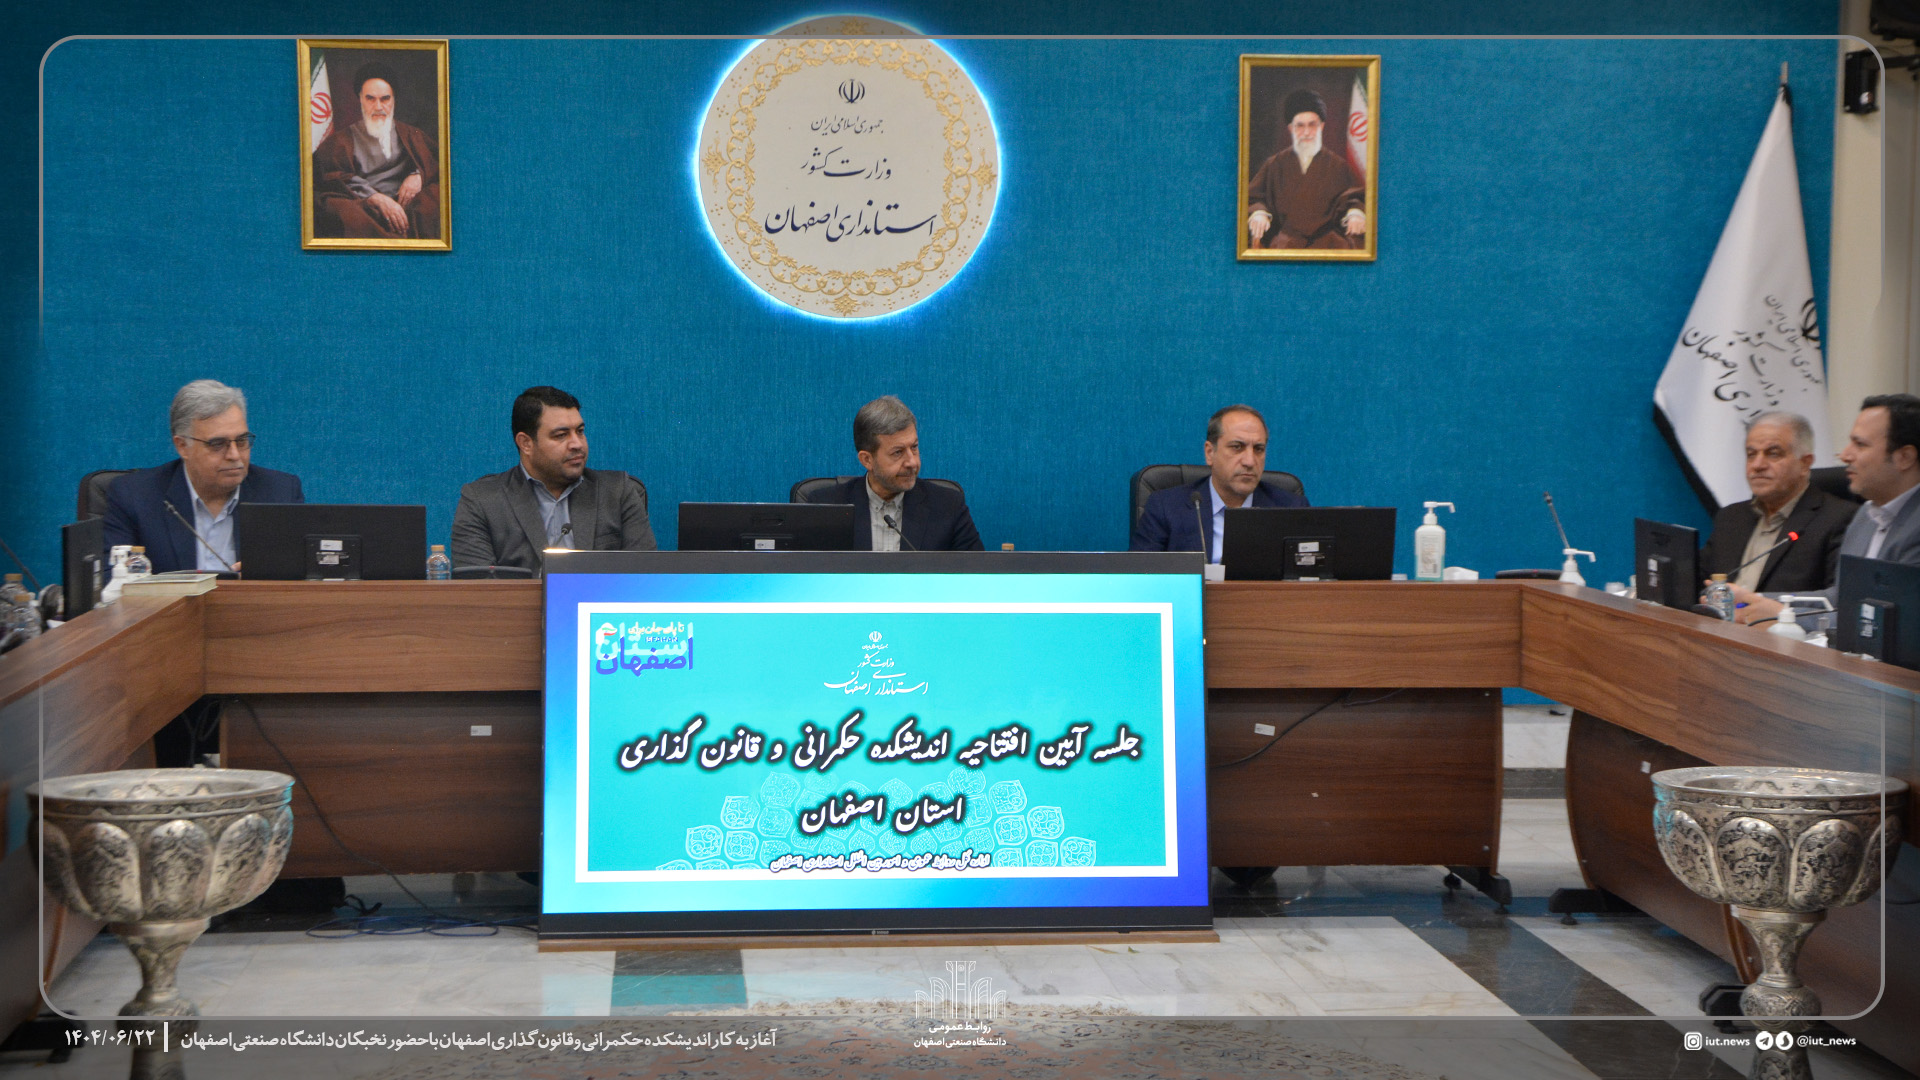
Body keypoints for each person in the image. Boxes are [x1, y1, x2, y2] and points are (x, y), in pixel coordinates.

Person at [1732, 394, 1920, 624]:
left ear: (1904, 457)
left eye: (1860, 444)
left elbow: (1887, 625)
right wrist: (1755, 600)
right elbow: (1838, 598)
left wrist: (1784, 617)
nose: (1845, 455)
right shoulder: (1866, 515)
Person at [102, 379, 303, 573]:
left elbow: (303, 578)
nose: (234, 455)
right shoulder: (134, 497)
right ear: (182, 446)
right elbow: (112, 580)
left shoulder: (280, 493)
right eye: (217, 444)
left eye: (241, 441)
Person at [451, 386, 656, 573]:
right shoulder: (482, 500)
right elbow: (479, 590)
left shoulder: (617, 492)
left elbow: (646, 577)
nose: (577, 444)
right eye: (561, 435)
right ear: (526, 443)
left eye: (580, 431)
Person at [800, 395, 983, 551]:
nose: (912, 462)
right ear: (867, 460)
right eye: (898, 452)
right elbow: (804, 576)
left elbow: (976, 574)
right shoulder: (825, 507)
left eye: (914, 447)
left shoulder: (948, 506)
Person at [1698, 411, 1856, 593]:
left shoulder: (1838, 519)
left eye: (1773, 454)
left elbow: (1837, 599)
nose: (1757, 465)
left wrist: (1760, 604)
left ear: (1805, 464)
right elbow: (1696, 583)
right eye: (1751, 454)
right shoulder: (1731, 517)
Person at [1131, 405, 1308, 561]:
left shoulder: (1291, 508)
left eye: (1258, 449)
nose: (1249, 461)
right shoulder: (1166, 507)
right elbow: (1140, 576)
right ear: (1210, 453)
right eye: (1237, 447)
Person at [312, 62, 441, 240]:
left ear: (394, 100)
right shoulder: (340, 141)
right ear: (360, 99)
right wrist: (375, 198)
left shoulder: (411, 135)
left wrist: (418, 175)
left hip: (408, 207)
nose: (378, 107)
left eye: (385, 99)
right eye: (370, 99)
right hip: (365, 206)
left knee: (435, 198)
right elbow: (331, 177)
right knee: (343, 212)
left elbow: (436, 162)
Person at [1245, 89, 1366, 251]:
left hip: (1328, 243)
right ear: (1291, 128)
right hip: (1284, 243)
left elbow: (1354, 198)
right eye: (1300, 126)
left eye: (1312, 125)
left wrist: (1355, 213)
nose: (1307, 132)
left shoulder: (1338, 166)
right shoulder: (1274, 164)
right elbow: (1253, 198)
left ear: (1321, 126)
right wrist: (1259, 213)